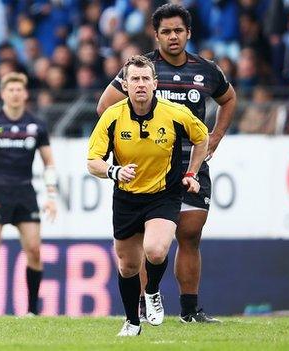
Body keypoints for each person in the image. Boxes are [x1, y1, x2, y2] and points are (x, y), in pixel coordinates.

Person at [96, 3, 237, 323]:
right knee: (152, 243)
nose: (172, 37)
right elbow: (105, 106)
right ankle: (146, 306)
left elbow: (229, 99)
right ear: (155, 35)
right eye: (165, 31)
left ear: (188, 33)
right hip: (150, 169)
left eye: (178, 31)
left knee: (190, 234)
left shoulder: (207, 70)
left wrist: (215, 137)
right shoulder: (142, 70)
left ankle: (189, 310)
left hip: (191, 165)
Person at [88, 55, 209, 336]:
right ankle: (132, 322)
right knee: (128, 265)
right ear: (126, 85)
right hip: (127, 197)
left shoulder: (174, 113)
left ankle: (153, 291)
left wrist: (191, 173)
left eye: (145, 79)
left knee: (155, 251)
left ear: (155, 83)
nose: (140, 84)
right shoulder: (112, 116)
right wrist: (114, 172)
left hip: (163, 194)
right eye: (135, 79)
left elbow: (201, 138)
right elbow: (93, 161)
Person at [0, 72, 57, 316]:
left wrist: (51, 195)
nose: (15, 94)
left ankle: (32, 312)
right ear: (3, 94)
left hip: (25, 193)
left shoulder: (36, 125)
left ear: (25, 93)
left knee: (34, 250)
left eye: (19, 90)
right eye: (11, 90)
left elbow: (49, 162)